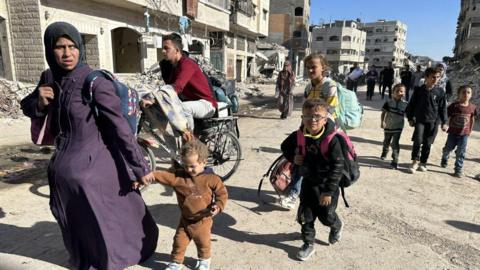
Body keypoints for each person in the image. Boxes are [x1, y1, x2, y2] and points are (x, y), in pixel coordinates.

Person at [20, 22, 158, 269]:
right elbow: (27, 106)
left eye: (72, 46)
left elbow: (119, 128)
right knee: (76, 221)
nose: (67, 53)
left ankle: (114, 258)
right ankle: (86, 256)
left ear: (80, 47)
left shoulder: (94, 82)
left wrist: (140, 167)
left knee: (107, 215)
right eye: (59, 47)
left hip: (94, 163)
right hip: (61, 165)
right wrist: (39, 103)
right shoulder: (49, 77)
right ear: (49, 50)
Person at [135, 139, 228, 270]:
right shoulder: (179, 177)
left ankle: (205, 260)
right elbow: (161, 176)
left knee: (203, 243)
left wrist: (218, 206)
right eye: (185, 165)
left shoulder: (212, 178)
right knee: (179, 242)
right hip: (185, 220)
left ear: (204, 162)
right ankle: (175, 263)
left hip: (203, 220)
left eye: (192, 166)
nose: (188, 169)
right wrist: (143, 179)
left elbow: (222, 194)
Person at [281, 99, 344, 261]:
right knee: (305, 216)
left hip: (326, 186)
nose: (312, 120)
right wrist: (294, 158)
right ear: (302, 118)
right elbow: (285, 147)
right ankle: (308, 243)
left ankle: (336, 225)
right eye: (307, 116)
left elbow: (337, 168)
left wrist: (328, 191)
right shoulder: (299, 135)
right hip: (308, 183)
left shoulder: (332, 140)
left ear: (325, 119)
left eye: (317, 116)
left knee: (326, 216)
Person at [281, 53, 339, 209]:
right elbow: (306, 110)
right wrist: (303, 130)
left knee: (321, 165)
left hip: (324, 133)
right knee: (300, 159)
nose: (310, 70)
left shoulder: (330, 86)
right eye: (308, 67)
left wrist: (317, 130)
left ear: (323, 68)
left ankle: (325, 193)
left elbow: (330, 111)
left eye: (314, 66)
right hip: (307, 130)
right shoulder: (308, 87)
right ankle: (294, 193)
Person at [159, 33, 218, 130]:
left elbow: (177, 87)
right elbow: (169, 87)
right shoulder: (172, 67)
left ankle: (189, 141)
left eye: (166, 48)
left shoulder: (187, 64)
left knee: (183, 108)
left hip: (206, 104)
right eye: (162, 48)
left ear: (177, 50)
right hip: (192, 102)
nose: (163, 51)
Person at [406, 67, 448, 174]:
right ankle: (415, 161)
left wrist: (444, 122)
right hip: (420, 120)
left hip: (433, 121)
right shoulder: (419, 90)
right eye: (433, 77)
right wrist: (410, 118)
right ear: (426, 77)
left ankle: (423, 162)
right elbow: (412, 105)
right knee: (418, 140)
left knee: (428, 143)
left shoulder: (440, 92)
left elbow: (443, 108)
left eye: (438, 77)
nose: (436, 79)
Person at [440, 85, 478, 178]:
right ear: (459, 94)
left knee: (461, 152)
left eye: (468, 92)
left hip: (464, 134)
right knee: (448, 148)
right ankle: (445, 157)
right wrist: (444, 124)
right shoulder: (454, 106)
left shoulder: (472, 107)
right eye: (463, 92)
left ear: (471, 95)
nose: (466, 94)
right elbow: (446, 117)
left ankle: (458, 169)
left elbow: (472, 119)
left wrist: (469, 130)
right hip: (452, 132)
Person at [380, 84, 408, 169]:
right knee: (386, 141)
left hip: (398, 127)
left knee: (395, 143)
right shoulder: (388, 102)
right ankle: (385, 151)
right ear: (393, 92)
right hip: (388, 125)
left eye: (402, 91)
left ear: (404, 93)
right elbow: (383, 113)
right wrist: (382, 122)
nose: (399, 93)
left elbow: (409, 114)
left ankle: (395, 161)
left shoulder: (406, 104)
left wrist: (412, 120)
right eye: (397, 91)